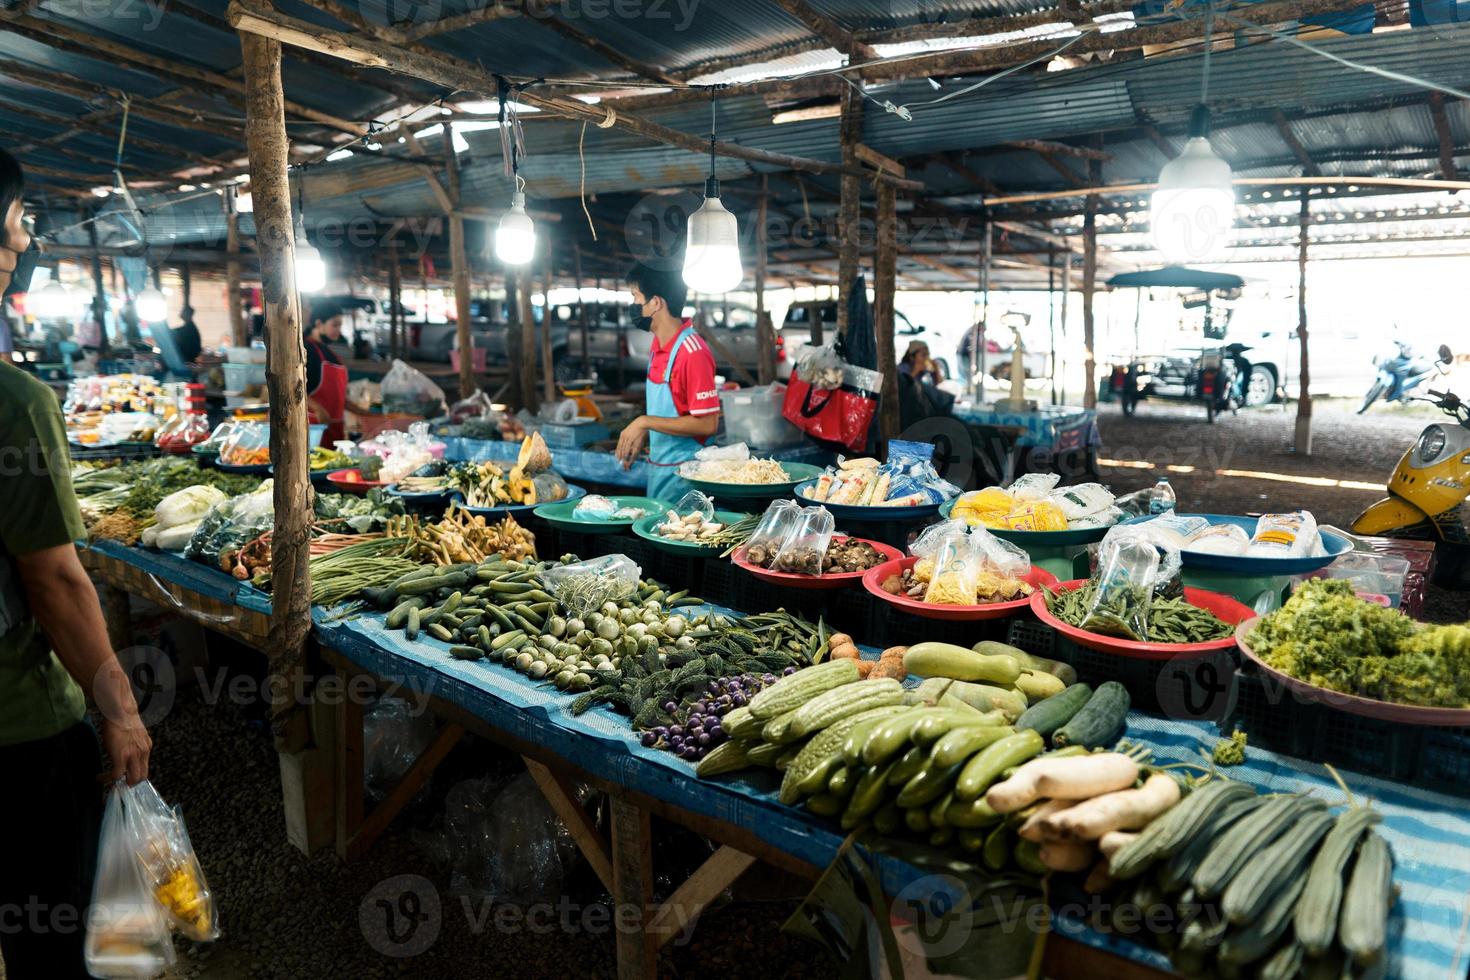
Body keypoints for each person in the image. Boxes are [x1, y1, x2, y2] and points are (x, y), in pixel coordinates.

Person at [0, 147, 152, 978]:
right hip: (17, 729)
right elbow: (54, 581)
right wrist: (121, 712)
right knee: (50, 944)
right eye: (17, 225)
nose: (23, 245)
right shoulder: (15, 405)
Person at [614, 264, 721, 501]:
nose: (633, 305)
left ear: (656, 303)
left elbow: (707, 424)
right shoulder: (658, 346)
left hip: (688, 478)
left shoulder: (692, 352)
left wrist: (644, 422)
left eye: (635, 297)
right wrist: (645, 432)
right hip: (660, 470)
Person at [304, 300, 370, 445]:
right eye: (335, 325)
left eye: (340, 325)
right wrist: (318, 408)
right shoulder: (305, 350)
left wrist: (361, 412)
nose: (338, 330)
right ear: (319, 324)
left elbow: (337, 397)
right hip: (313, 431)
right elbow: (292, 389)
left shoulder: (331, 354)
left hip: (335, 430)